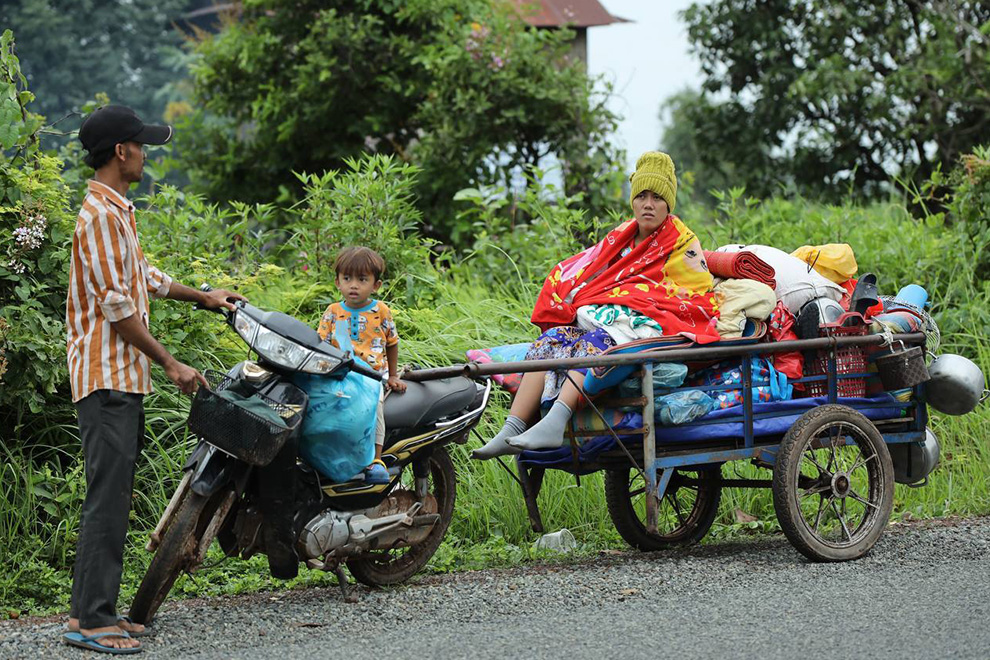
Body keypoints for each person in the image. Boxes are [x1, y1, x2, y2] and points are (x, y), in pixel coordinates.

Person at [62, 105, 246, 654]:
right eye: (141, 145)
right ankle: (90, 621)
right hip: (106, 378)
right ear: (121, 152)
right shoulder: (98, 215)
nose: (146, 153)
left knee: (114, 496)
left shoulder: (117, 212)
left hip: (121, 378)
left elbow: (144, 279)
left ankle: (95, 614)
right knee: (107, 499)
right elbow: (119, 308)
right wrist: (171, 363)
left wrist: (205, 297)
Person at [472, 151, 720, 460]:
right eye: (641, 195)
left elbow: (696, 296)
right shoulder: (621, 237)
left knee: (593, 343)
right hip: (609, 318)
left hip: (648, 327)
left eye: (657, 197)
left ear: (668, 203)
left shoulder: (683, 243)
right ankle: (512, 428)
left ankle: (556, 420)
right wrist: (588, 300)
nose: (648, 204)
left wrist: (628, 303)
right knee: (550, 340)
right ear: (632, 200)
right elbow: (591, 274)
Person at [317, 246, 406, 484]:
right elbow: (320, 343)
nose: (353, 285)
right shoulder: (333, 312)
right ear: (338, 282)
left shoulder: (381, 312)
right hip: (340, 373)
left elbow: (392, 343)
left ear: (375, 285)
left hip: (372, 374)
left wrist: (392, 376)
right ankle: (331, 454)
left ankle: (374, 460)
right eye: (347, 279)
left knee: (374, 408)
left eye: (362, 279)